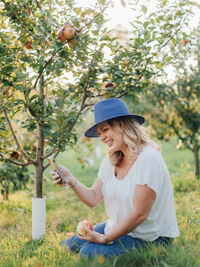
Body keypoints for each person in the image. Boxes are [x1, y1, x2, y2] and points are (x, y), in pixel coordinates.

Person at [51, 98, 179, 259]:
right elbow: (94, 198)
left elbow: (140, 213)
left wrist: (106, 238)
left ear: (123, 125)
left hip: (150, 238)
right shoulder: (112, 159)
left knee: (87, 253)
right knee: (69, 246)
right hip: (122, 227)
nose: (102, 137)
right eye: (99, 133)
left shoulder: (148, 158)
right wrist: (71, 180)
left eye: (105, 130)